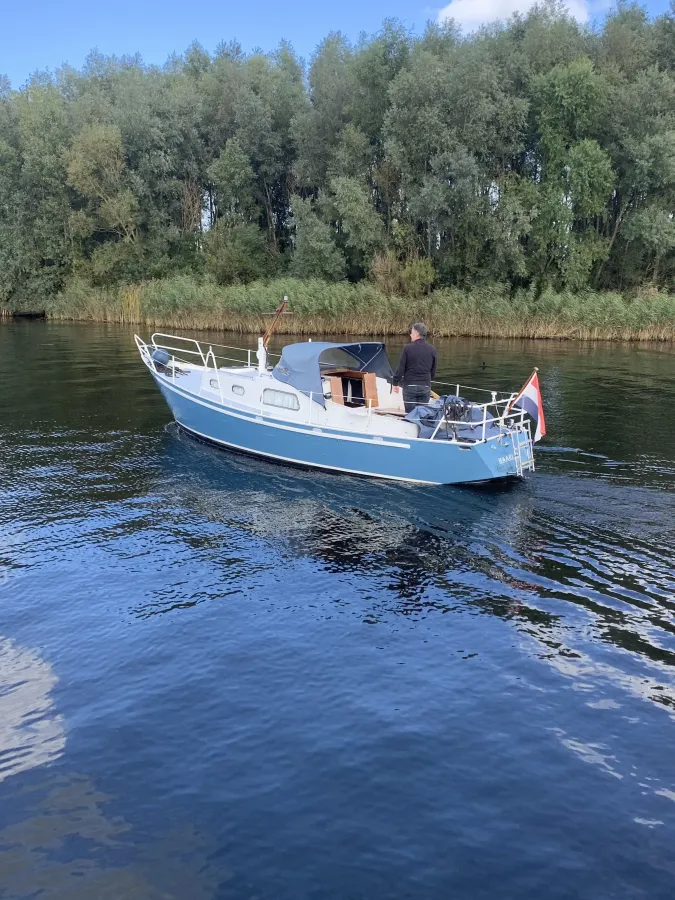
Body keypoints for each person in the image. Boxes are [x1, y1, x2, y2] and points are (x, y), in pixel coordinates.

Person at [392, 323, 437, 413]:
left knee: (410, 414)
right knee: (422, 414)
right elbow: (433, 370)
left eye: (411, 332)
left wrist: (395, 383)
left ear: (416, 334)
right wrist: (426, 381)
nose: (410, 335)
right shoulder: (432, 349)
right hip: (425, 386)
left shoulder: (407, 348)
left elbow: (400, 368)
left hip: (410, 386)